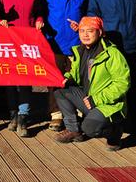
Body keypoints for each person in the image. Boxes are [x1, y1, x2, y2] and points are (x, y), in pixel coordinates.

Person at [87, 0, 136, 133]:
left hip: (130, 44)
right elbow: (93, 16)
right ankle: (114, 124)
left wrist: (134, 30)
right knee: (110, 86)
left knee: (133, 85)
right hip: (109, 48)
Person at [54, 17, 129, 151]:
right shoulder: (80, 51)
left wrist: (97, 99)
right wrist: (67, 79)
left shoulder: (112, 54)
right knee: (60, 90)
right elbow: (75, 74)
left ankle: (114, 132)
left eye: (90, 31)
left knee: (89, 129)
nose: (85, 35)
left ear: (99, 32)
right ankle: (73, 130)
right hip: (88, 99)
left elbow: (122, 83)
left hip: (107, 104)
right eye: (82, 31)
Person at [0, 0, 43, 137]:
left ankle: (23, 116)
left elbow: (40, 12)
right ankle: (13, 114)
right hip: (8, 41)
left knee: (25, 80)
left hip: (28, 41)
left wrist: (39, 21)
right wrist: (0, 21)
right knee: (9, 80)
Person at [40, 0, 88, 132]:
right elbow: (39, 8)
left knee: (77, 79)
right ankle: (56, 114)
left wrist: (83, 24)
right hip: (54, 41)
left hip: (77, 42)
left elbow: (89, 10)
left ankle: (78, 112)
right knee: (55, 80)